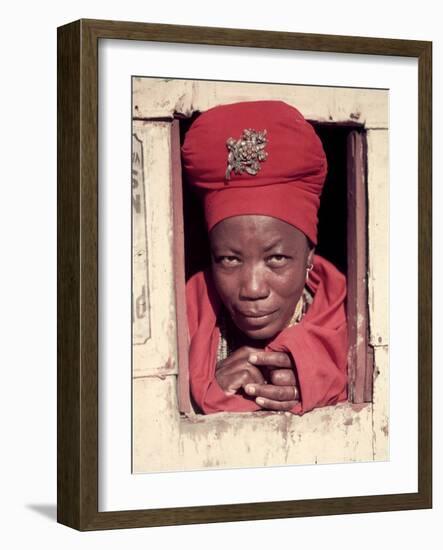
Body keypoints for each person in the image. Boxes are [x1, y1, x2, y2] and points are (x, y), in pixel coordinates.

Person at [181, 100, 348, 415]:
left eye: (277, 259)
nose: (253, 288)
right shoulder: (180, 322)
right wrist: (211, 389)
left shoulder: (352, 323)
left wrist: (315, 375)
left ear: (310, 255)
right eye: (229, 260)